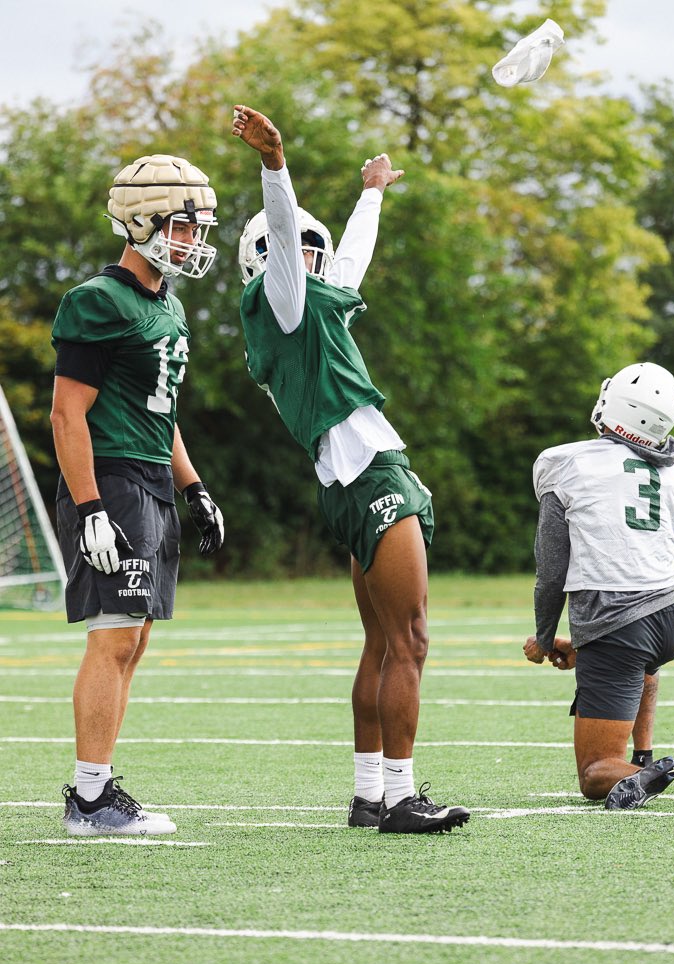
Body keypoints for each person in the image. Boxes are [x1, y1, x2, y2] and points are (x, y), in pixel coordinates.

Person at [232, 105, 469, 834]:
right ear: (268, 261)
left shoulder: (311, 311)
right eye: (293, 249)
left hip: (348, 481)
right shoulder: (283, 305)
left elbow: (349, 263)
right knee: (411, 642)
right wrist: (275, 165)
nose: (305, 256)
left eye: (311, 247)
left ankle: (370, 794)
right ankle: (399, 795)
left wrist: (371, 193)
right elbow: (285, 238)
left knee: (382, 642)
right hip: (370, 476)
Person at [50, 154, 225, 836]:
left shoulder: (170, 307)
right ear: (142, 220)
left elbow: (162, 412)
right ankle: (90, 800)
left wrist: (195, 486)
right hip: (112, 478)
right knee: (114, 639)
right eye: (183, 226)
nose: (192, 240)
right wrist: (90, 506)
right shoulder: (98, 299)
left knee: (136, 640)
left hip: (150, 477)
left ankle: (98, 790)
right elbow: (68, 414)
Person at [523, 362, 674, 809]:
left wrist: (544, 639)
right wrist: (587, 642)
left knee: (595, 773)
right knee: (640, 658)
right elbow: (640, 560)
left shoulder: (565, 463)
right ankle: (644, 754)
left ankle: (637, 771)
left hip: (623, 624)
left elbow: (552, 570)